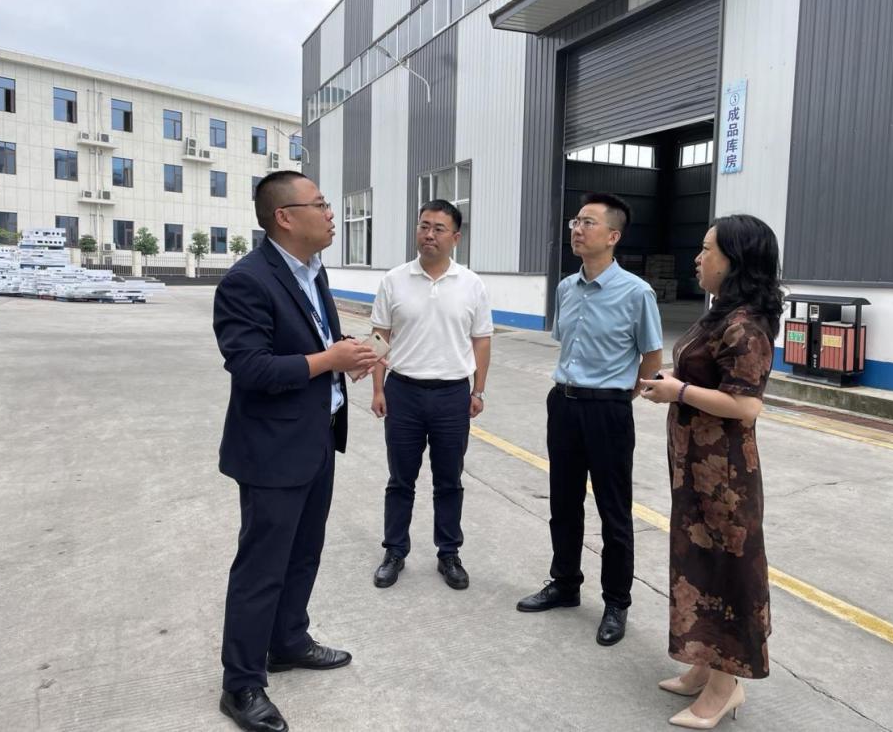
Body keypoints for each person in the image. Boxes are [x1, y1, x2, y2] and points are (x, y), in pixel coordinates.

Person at [213, 171, 380, 732]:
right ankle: (241, 684)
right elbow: (251, 367)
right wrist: (329, 361)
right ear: (285, 217)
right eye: (321, 204)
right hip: (271, 449)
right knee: (261, 567)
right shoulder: (247, 281)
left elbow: (313, 341)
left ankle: (287, 640)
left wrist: (343, 357)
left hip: (316, 437)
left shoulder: (313, 269)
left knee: (305, 552)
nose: (332, 214)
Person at [639, 214, 784, 729]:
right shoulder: (720, 313)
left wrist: (677, 391)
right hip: (694, 469)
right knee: (697, 562)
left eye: (707, 250)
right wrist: (673, 379)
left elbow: (745, 406)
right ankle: (703, 664)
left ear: (735, 260)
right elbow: (706, 376)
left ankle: (726, 686)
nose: (698, 258)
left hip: (725, 478)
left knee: (727, 571)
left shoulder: (746, 325)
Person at [517, 192, 663, 646]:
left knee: (613, 511)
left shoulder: (637, 293)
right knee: (563, 502)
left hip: (608, 411)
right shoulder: (566, 288)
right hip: (563, 404)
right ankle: (565, 583)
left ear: (613, 236)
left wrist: (618, 397)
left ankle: (616, 602)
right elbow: (565, 342)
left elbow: (651, 358)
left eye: (588, 222)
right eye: (575, 221)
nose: (577, 229)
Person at [369, 199, 493, 590]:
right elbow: (380, 336)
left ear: (455, 237)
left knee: (449, 480)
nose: (429, 234)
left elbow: (482, 340)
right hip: (403, 392)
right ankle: (394, 551)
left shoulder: (471, 284)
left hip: (452, 395)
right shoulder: (394, 280)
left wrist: (478, 390)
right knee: (400, 480)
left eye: (439, 228)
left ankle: (448, 553)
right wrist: (377, 388)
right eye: (424, 226)